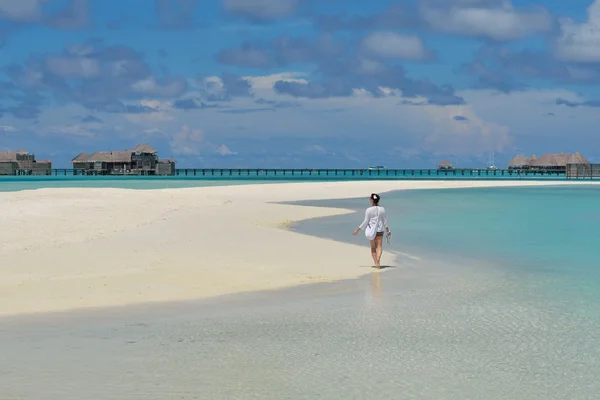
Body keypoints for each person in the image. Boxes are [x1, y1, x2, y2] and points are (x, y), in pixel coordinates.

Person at [352, 193, 391, 269]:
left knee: (373, 247)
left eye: (370, 198)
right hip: (380, 230)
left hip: (371, 231)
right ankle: (379, 259)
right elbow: (385, 221)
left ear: (372, 200)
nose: (369, 199)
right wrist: (388, 231)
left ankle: (376, 263)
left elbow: (365, 222)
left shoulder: (368, 210)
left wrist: (357, 230)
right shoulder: (382, 209)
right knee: (379, 246)